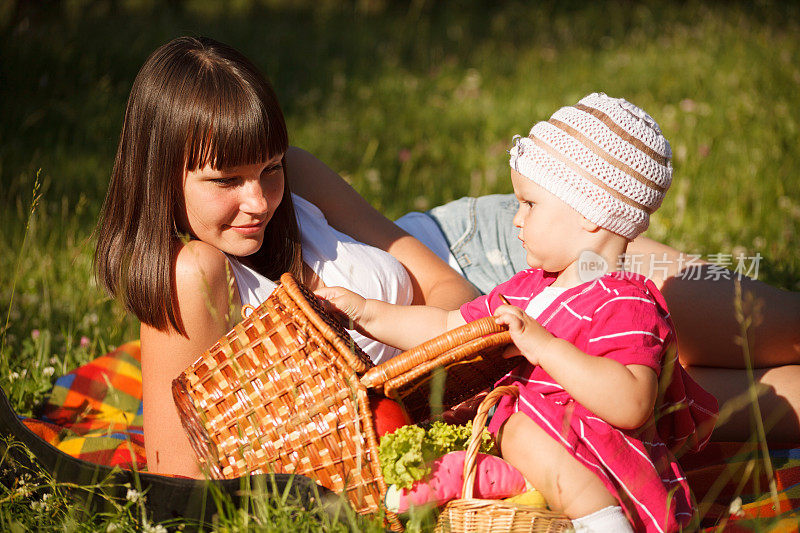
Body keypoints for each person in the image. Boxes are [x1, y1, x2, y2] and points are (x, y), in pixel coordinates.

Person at [94, 36, 798, 479]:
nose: (258, 200)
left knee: (775, 322)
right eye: (226, 181)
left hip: (510, 252)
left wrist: (492, 334)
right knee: (718, 407)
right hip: (499, 372)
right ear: (162, 173)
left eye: (268, 168)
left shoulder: (297, 177)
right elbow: (174, 473)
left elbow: (439, 279)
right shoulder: (194, 275)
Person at [317, 93, 718, 532]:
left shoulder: (624, 302)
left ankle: (604, 523)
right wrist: (369, 313)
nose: (516, 220)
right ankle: (499, 481)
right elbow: (448, 326)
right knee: (496, 427)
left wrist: (546, 347)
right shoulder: (529, 291)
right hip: (544, 456)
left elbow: (631, 403)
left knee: (520, 431)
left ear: (590, 214)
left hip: (604, 468)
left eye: (529, 204)